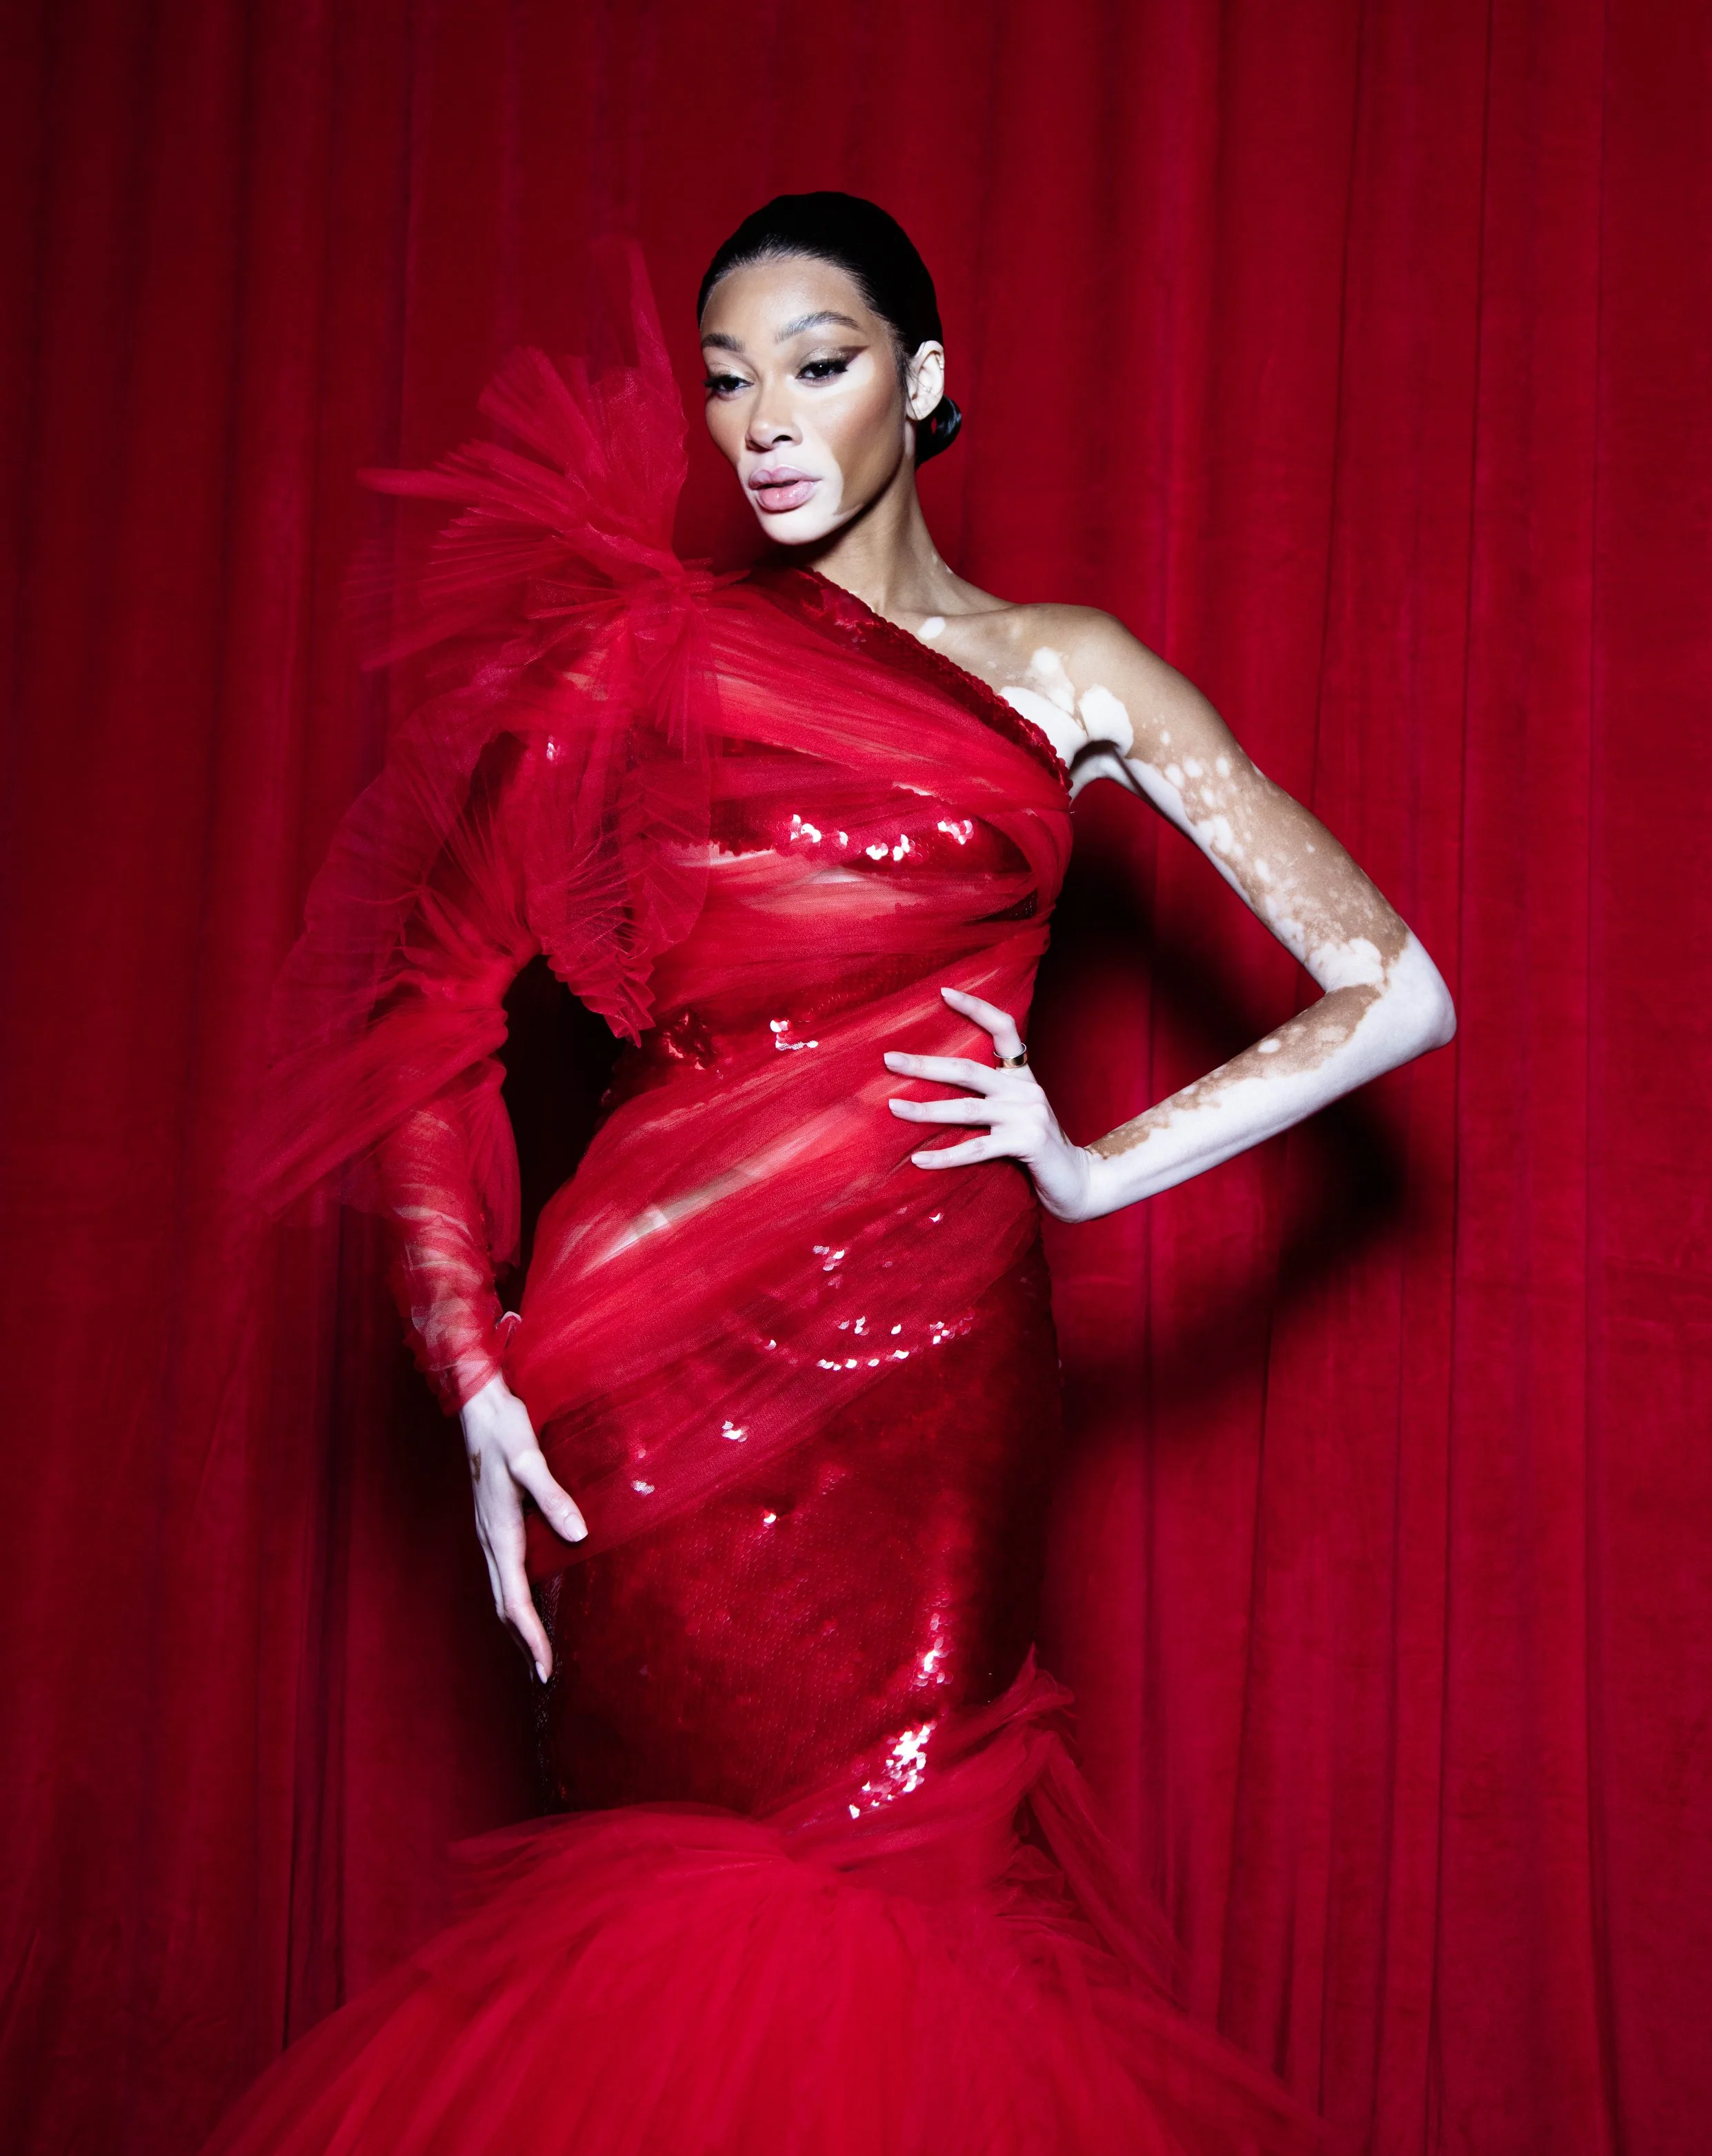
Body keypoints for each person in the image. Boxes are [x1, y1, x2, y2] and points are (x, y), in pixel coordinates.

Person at [213, 193, 1453, 2155]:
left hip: (938, 1372)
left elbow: (1393, 987)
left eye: (820, 365)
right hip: (642, 1373)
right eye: (728, 383)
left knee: (911, 1898)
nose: (766, 423)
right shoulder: (634, 659)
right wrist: (471, 1368)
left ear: (924, 380)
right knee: (661, 1935)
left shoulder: (1064, 668)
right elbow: (425, 1001)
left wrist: (1089, 1169)